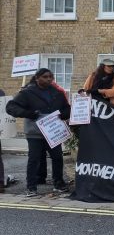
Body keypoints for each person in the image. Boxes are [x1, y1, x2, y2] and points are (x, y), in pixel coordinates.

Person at [6, 68, 71, 196]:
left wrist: (63, 114)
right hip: (35, 132)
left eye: (50, 77)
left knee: (57, 157)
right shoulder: (27, 92)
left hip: (53, 132)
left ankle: (58, 184)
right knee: (34, 159)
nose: (48, 79)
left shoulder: (57, 92)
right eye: (45, 77)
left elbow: (66, 108)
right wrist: (28, 114)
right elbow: (11, 107)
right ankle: (31, 187)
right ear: (37, 78)